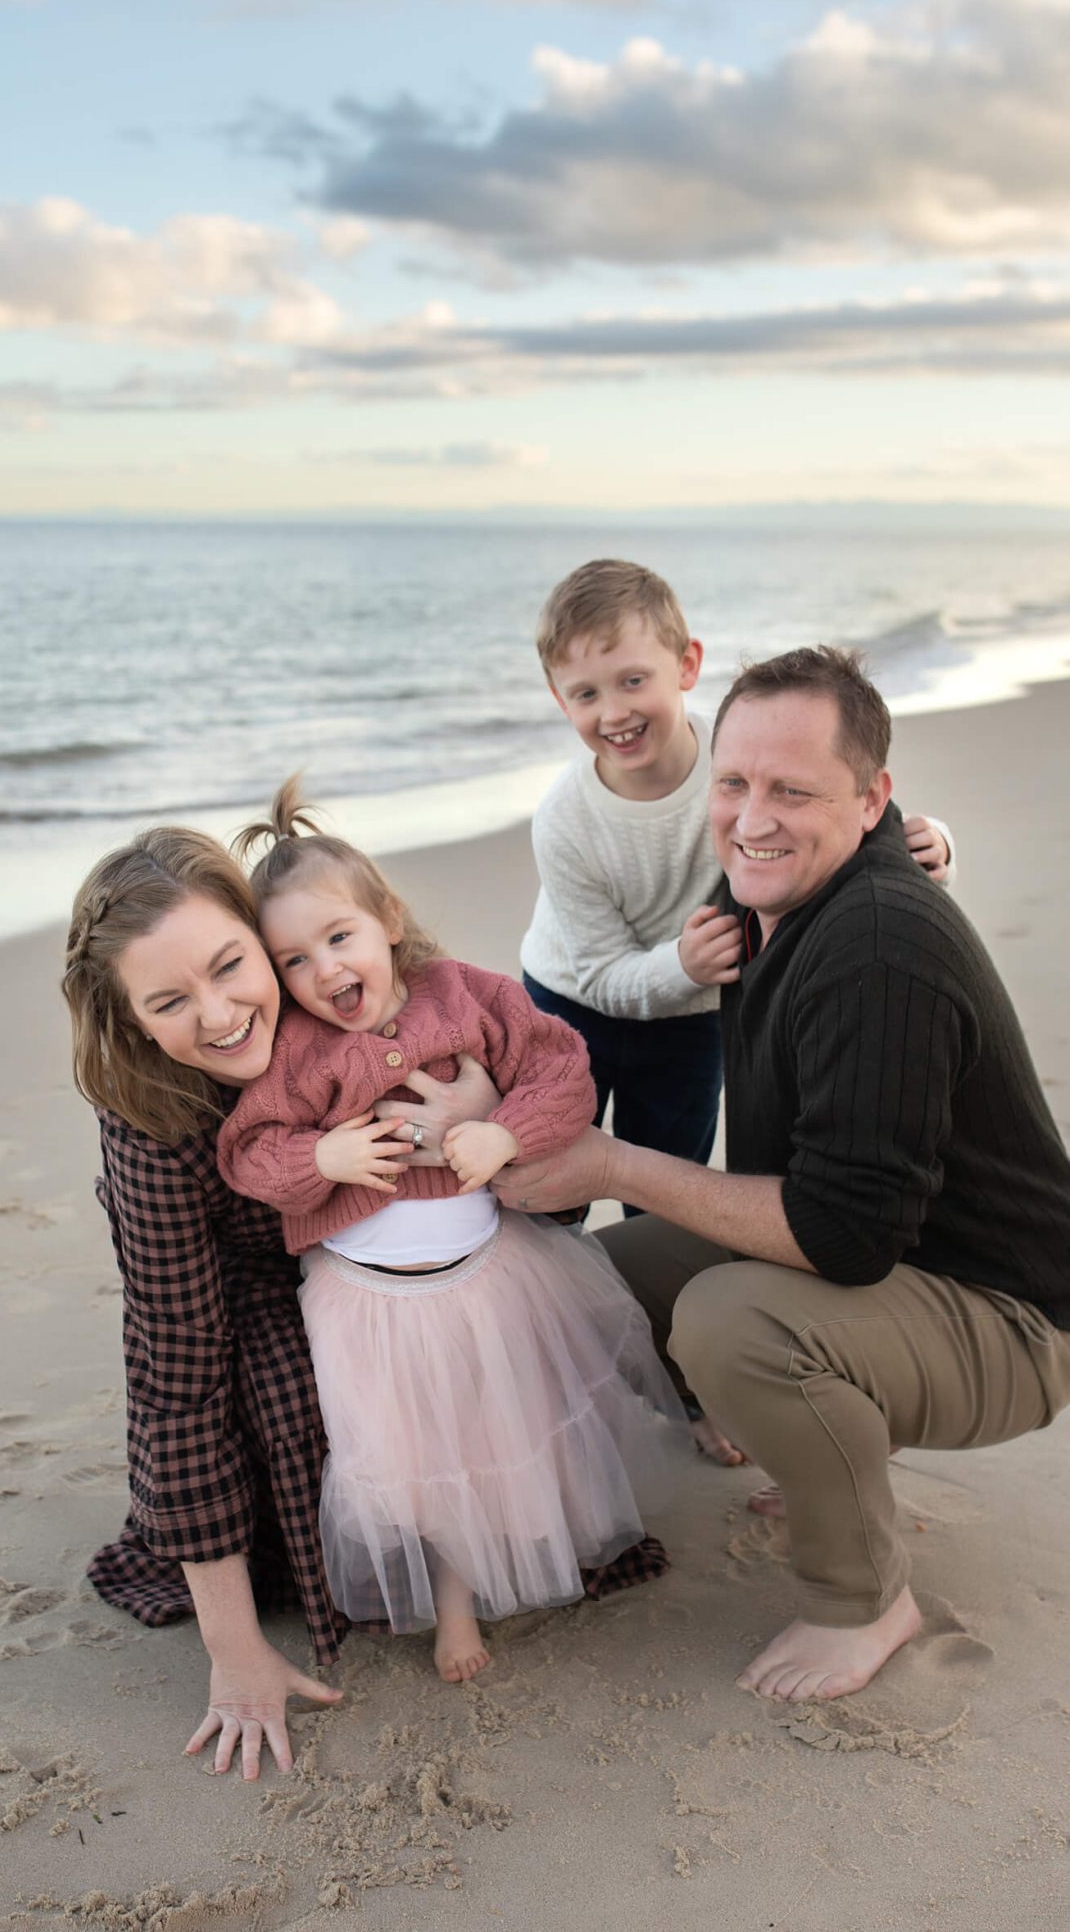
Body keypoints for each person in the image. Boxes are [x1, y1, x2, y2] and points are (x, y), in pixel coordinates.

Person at [498, 646, 1070, 1705]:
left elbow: (843, 1234)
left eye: (792, 789)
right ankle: (831, 1446)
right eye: (734, 782)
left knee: (729, 1323)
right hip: (901, 1257)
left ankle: (864, 1598)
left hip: (1012, 1317)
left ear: (872, 802)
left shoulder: (879, 943)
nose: (751, 816)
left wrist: (612, 1159)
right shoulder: (761, 892)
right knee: (598, 1276)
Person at [61, 824, 503, 1779]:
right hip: (256, 1297)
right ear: (132, 1020)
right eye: (172, 1002)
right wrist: (231, 1648)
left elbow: (532, 1152)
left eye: (233, 966)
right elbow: (174, 1367)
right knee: (296, 1392)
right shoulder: (152, 1122)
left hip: (403, 1255)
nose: (221, 1016)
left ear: (270, 939)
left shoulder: (350, 996)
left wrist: (478, 1113)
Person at [218, 782, 682, 1685]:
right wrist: (327, 1157)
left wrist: (505, 1127)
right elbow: (249, 1154)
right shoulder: (298, 1053)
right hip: (368, 1304)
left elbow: (564, 1072)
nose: (323, 972)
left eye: (338, 938)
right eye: (294, 962)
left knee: (493, 1434)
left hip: (490, 1277)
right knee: (412, 1459)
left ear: (388, 918)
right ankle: (452, 1605)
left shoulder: (468, 994)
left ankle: (497, 1567)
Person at [519, 561, 953, 1222]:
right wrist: (680, 966)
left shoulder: (733, 759)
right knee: (551, 1183)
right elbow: (601, 972)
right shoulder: (564, 821)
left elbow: (830, 810)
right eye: (585, 695)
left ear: (687, 665)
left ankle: (648, 1310)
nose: (614, 712)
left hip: (692, 1017)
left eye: (634, 680)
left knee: (665, 1186)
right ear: (559, 700)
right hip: (572, 1001)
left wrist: (932, 844)